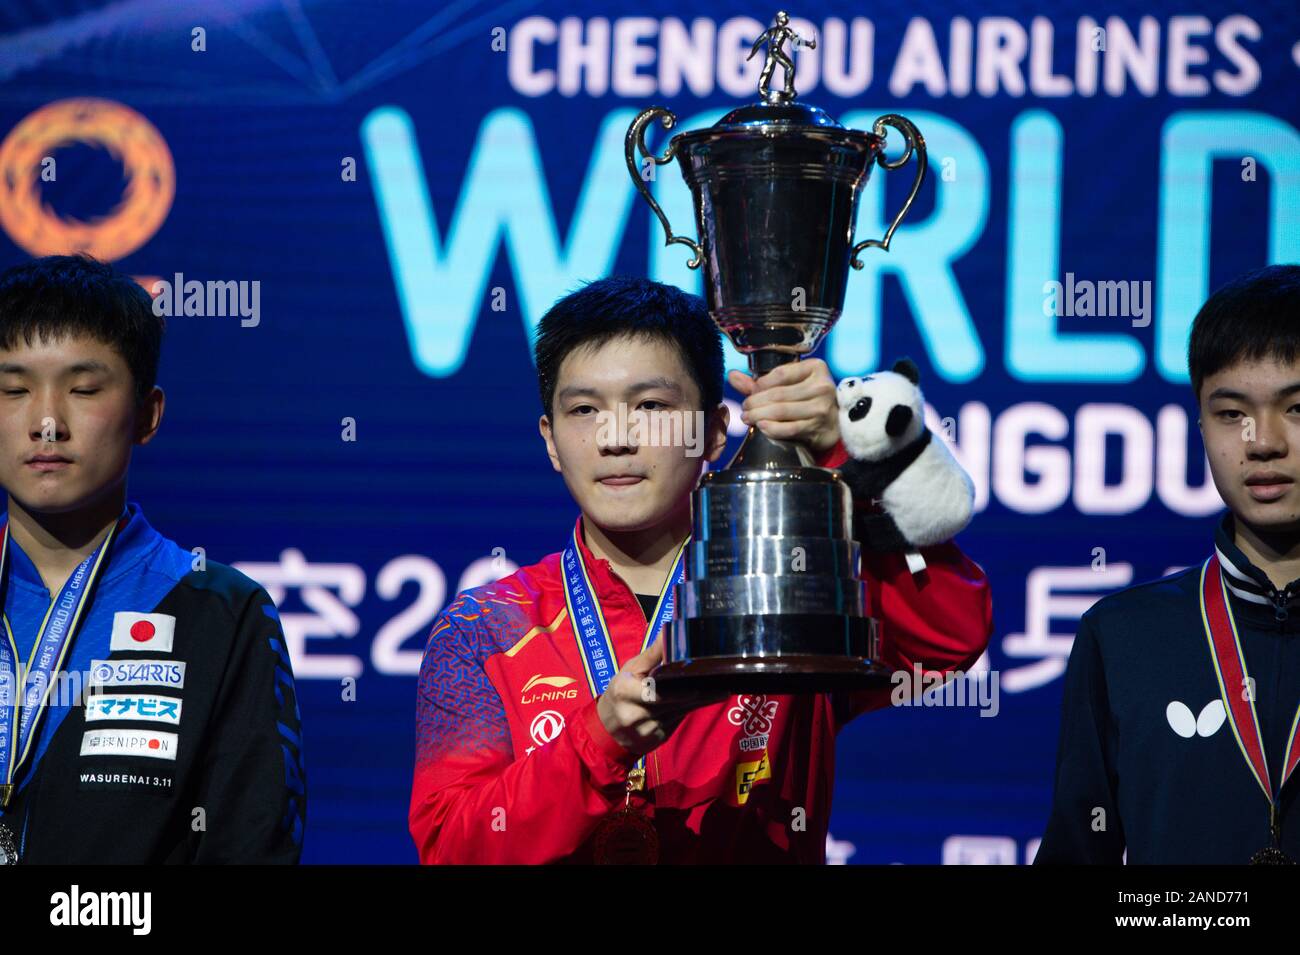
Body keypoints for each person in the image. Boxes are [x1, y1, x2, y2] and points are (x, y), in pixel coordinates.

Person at [410, 274, 992, 864]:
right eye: (584, 410)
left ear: (714, 431)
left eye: (652, 406)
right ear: (551, 440)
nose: (616, 438)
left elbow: (947, 639)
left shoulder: (787, 588)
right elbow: (451, 846)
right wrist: (599, 742)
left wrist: (839, 455)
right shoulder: (484, 628)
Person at [0, 254, 305, 863]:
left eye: (84, 389)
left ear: (147, 414)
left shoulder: (222, 614)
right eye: (13, 389)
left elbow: (251, 846)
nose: (48, 423)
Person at [1037, 264, 1300, 864]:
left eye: (1297, 407)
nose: (1262, 442)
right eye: (1231, 413)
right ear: (1200, 425)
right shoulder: (1124, 636)